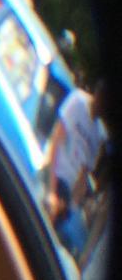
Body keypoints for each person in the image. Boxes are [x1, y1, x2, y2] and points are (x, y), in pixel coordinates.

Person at [45, 82, 107, 255]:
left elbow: (83, 176)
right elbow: (56, 139)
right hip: (53, 175)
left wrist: (71, 206)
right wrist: (51, 191)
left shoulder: (99, 134)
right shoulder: (78, 102)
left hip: (66, 192)